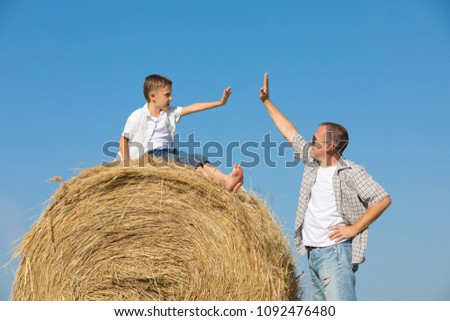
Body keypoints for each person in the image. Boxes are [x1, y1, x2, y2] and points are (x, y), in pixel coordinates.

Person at [259, 73, 392, 300]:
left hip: (335, 253)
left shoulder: (350, 171)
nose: (310, 141)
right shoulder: (313, 163)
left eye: (315, 139)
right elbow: (289, 132)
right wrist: (267, 102)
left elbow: (382, 198)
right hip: (313, 254)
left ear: (329, 146)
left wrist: (353, 229)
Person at [118, 74, 243, 193]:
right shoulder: (138, 115)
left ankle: (226, 179)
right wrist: (127, 166)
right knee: (189, 164)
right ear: (153, 96)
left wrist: (220, 102)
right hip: (150, 155)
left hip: (169, 151)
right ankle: (214, 187)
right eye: (167, 95)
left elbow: (194, 107)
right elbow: (124, 139)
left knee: (199, 158)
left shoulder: (170, 112)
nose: (171, 98)